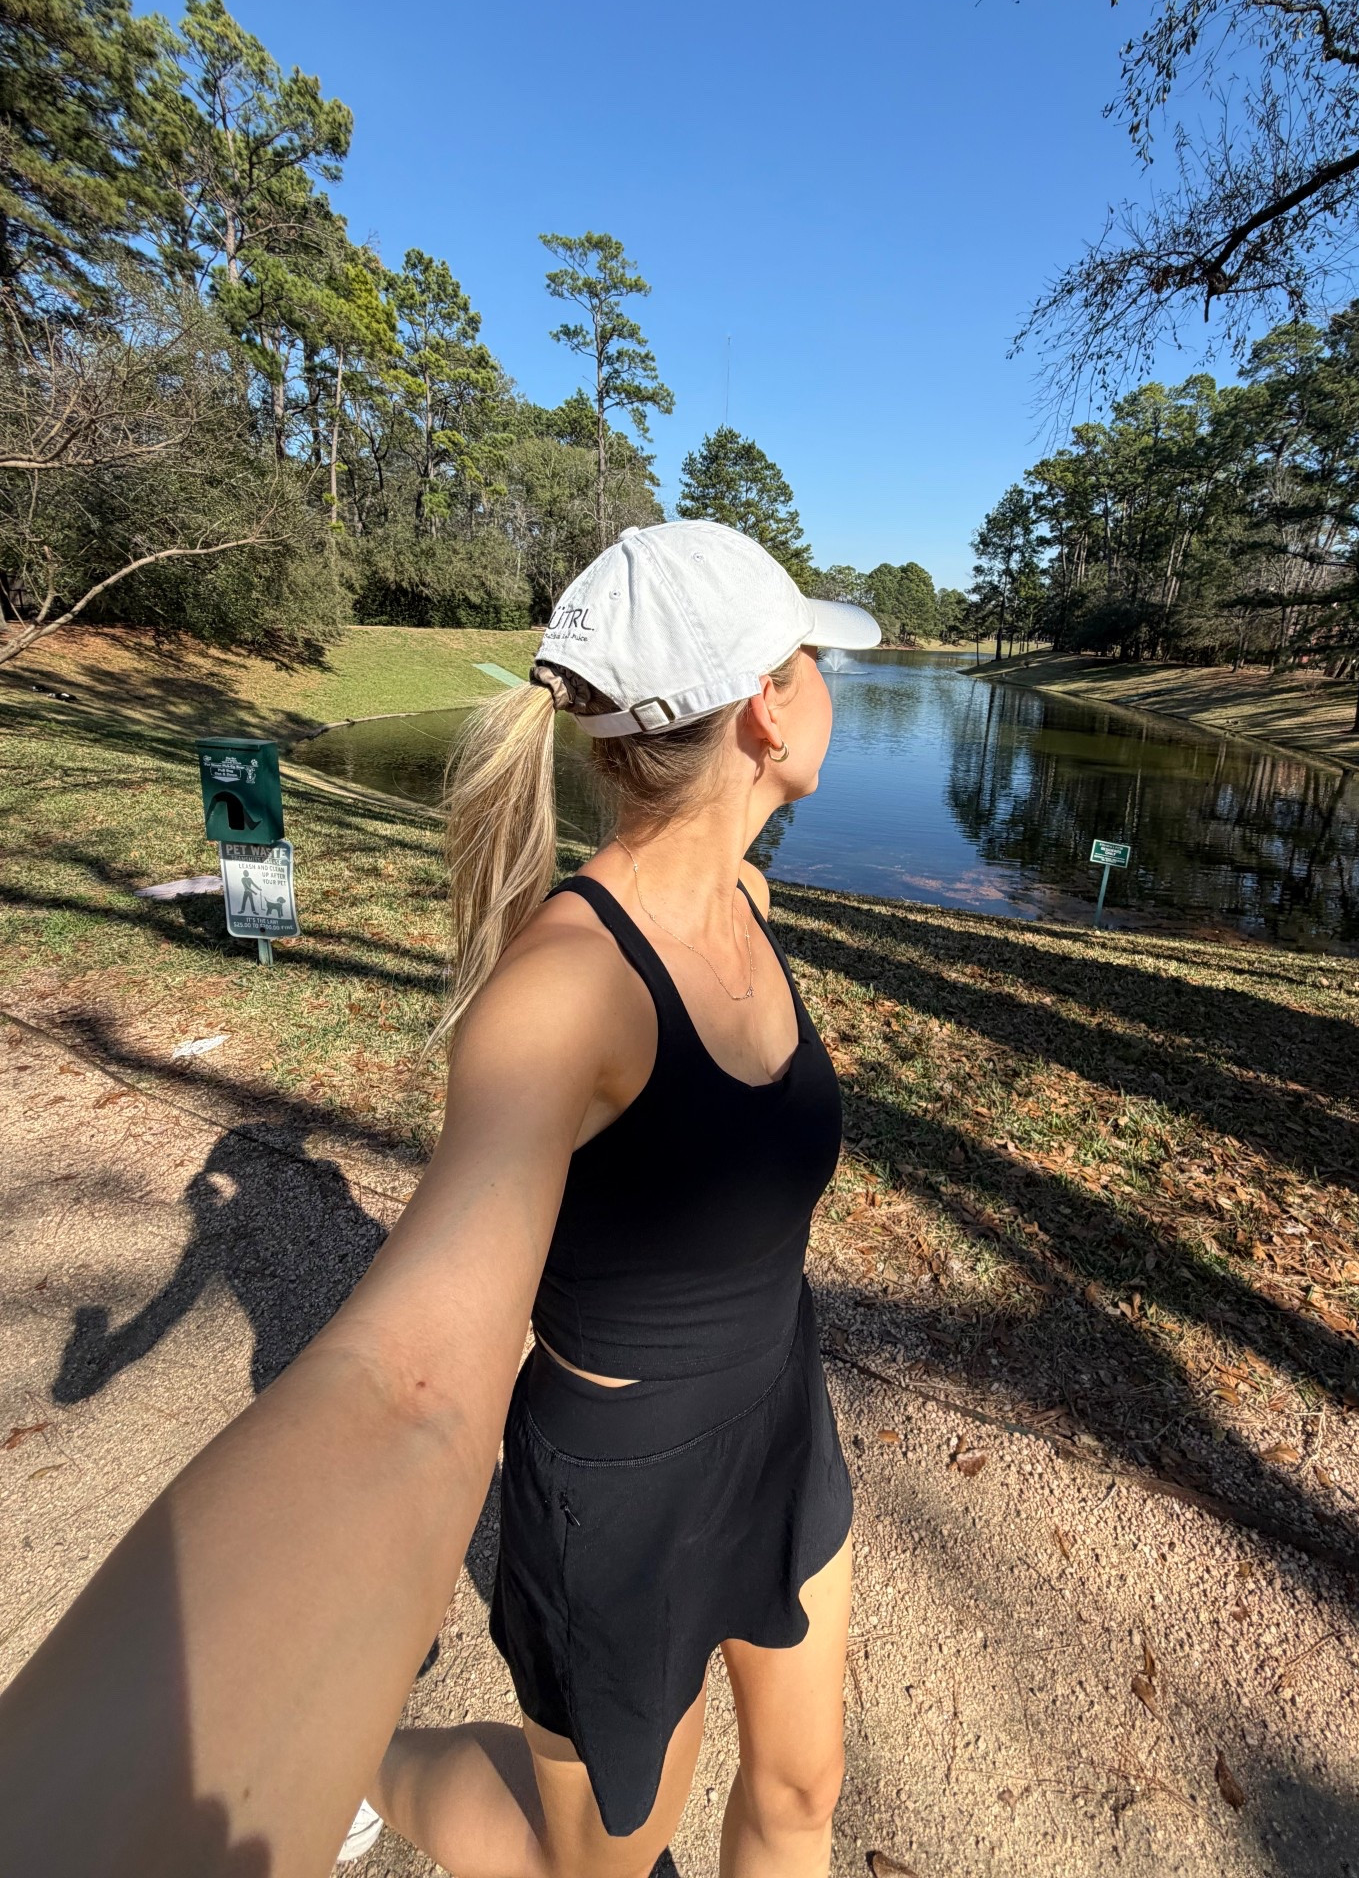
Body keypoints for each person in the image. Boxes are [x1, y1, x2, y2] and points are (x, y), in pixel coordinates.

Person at [0, 520, 880, 1878]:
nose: (831, 680)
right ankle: (371, 1762)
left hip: (779, 1417)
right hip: (625, 1490)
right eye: (814, 658)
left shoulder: (749, 898)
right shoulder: (569, 986)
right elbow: (406, 1384)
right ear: (768, 706)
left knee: (803, 1789)